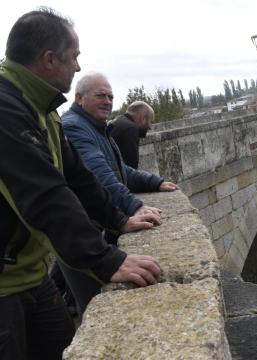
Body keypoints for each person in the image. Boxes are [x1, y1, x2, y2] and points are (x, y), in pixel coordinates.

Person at [0, 8, 163, 360]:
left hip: (28, 275)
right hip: (4, 286)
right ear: (48, 59)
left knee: (63, 345)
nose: (76, 67)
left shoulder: (40, 107)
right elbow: (44, 192)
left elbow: (77, 176)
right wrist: (105, 260)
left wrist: (118, 219)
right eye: (74, 57)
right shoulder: (6, 108)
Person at [59, 73, 178, 314]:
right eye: (100, 95)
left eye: (111, 96)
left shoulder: (97, 128)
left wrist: (155, 182)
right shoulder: (74, 127)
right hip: (82, 230)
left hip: (92, 227)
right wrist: (134, 207)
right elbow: (98, 174)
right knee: (95, 305)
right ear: (79, 98)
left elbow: (120, 169)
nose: (107, 101)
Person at [110, 101, 154, 169]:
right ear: (143, 118)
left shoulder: (118, 122)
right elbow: (131, 167)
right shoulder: (131, 129)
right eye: (151, 122)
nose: (150, 127)